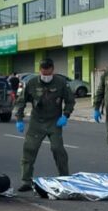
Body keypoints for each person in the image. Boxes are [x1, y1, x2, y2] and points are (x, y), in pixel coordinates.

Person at [12, 57, 74, 191]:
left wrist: (66, 115)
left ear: (53, 69)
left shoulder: (61, 83)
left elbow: (70, 100)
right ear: (40, 70)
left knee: (58, 149)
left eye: (48, 72)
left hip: (54, 121)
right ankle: (26, 181)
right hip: (37, 122)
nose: (46, 75)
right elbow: (21, 101)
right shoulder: (32, 83)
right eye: (43, 72)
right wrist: (19, 119)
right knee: (29, 150)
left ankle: (64, 178)